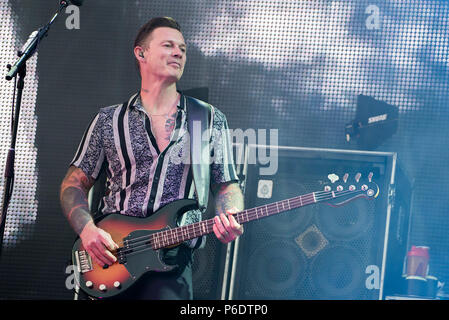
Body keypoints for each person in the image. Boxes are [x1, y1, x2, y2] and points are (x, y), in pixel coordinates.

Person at [59, 16, 244, 300]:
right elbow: (73, 185)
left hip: (171, 264)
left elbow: (226, 185)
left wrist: (230, 214)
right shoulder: (108, 120)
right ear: (141, 53)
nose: (178, 52)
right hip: (109, 260)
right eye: (168, 45)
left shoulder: (207, 119)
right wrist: (87, 231)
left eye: (182, 48)